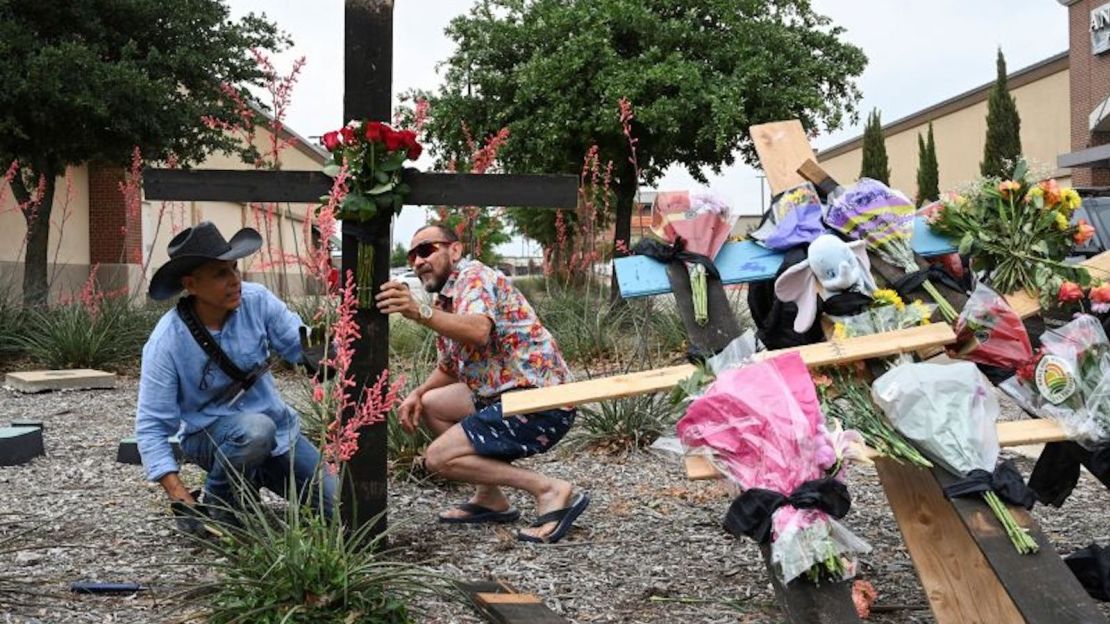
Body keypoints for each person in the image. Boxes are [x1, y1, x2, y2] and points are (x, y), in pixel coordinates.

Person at [375, 224, 588, 543]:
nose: (418, 261)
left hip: (541, 402)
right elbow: (449, 367)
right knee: (432, 404)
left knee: (439, 458)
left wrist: (417, 312)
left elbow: (477, 331)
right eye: (412, 255)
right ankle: (490, 497)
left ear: (455, 250)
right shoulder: (445, 302)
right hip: (503, 394)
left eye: (426, 250)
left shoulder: (473, 276)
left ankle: (549, 489)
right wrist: (418, 393)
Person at [135, 221, 335, 532]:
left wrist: (332, 346)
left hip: (281, 435)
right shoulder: (166, 342)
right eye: (220, 274)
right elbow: (151, 428)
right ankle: (220, 502)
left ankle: (248, 485)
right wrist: (181, 497)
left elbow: (303, 342)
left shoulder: (258, 300)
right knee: (255, 430)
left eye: (235, 268)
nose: (235, 280)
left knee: (344, 509)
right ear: (191, 284)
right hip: (212, 439)